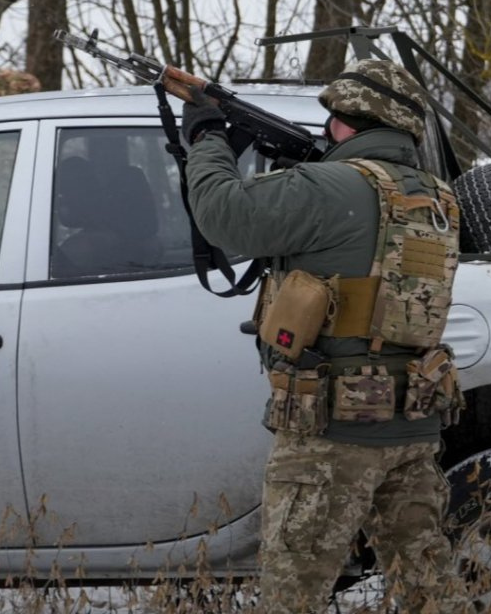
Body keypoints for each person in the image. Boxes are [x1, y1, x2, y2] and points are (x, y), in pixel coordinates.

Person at [180, 61, 463, 614]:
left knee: (293, 599)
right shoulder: (437, 198)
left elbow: (223, 215)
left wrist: (207, 137)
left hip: (331, 436)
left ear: (345, 121)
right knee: (429, 593)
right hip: (412, 424)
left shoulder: (328, 187)